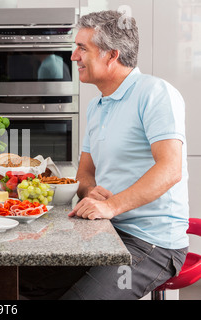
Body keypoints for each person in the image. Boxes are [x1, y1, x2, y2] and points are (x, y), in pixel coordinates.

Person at [20, 10, 189, 300]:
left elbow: (170, 168)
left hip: (151, 243)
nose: (73, 57)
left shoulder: (155, 93)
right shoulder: (97, 106)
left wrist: (111, 206)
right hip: (104, 232)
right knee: (18, 281)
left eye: (82, 48)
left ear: (112, 55)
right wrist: (90, 193)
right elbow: (85, 173)